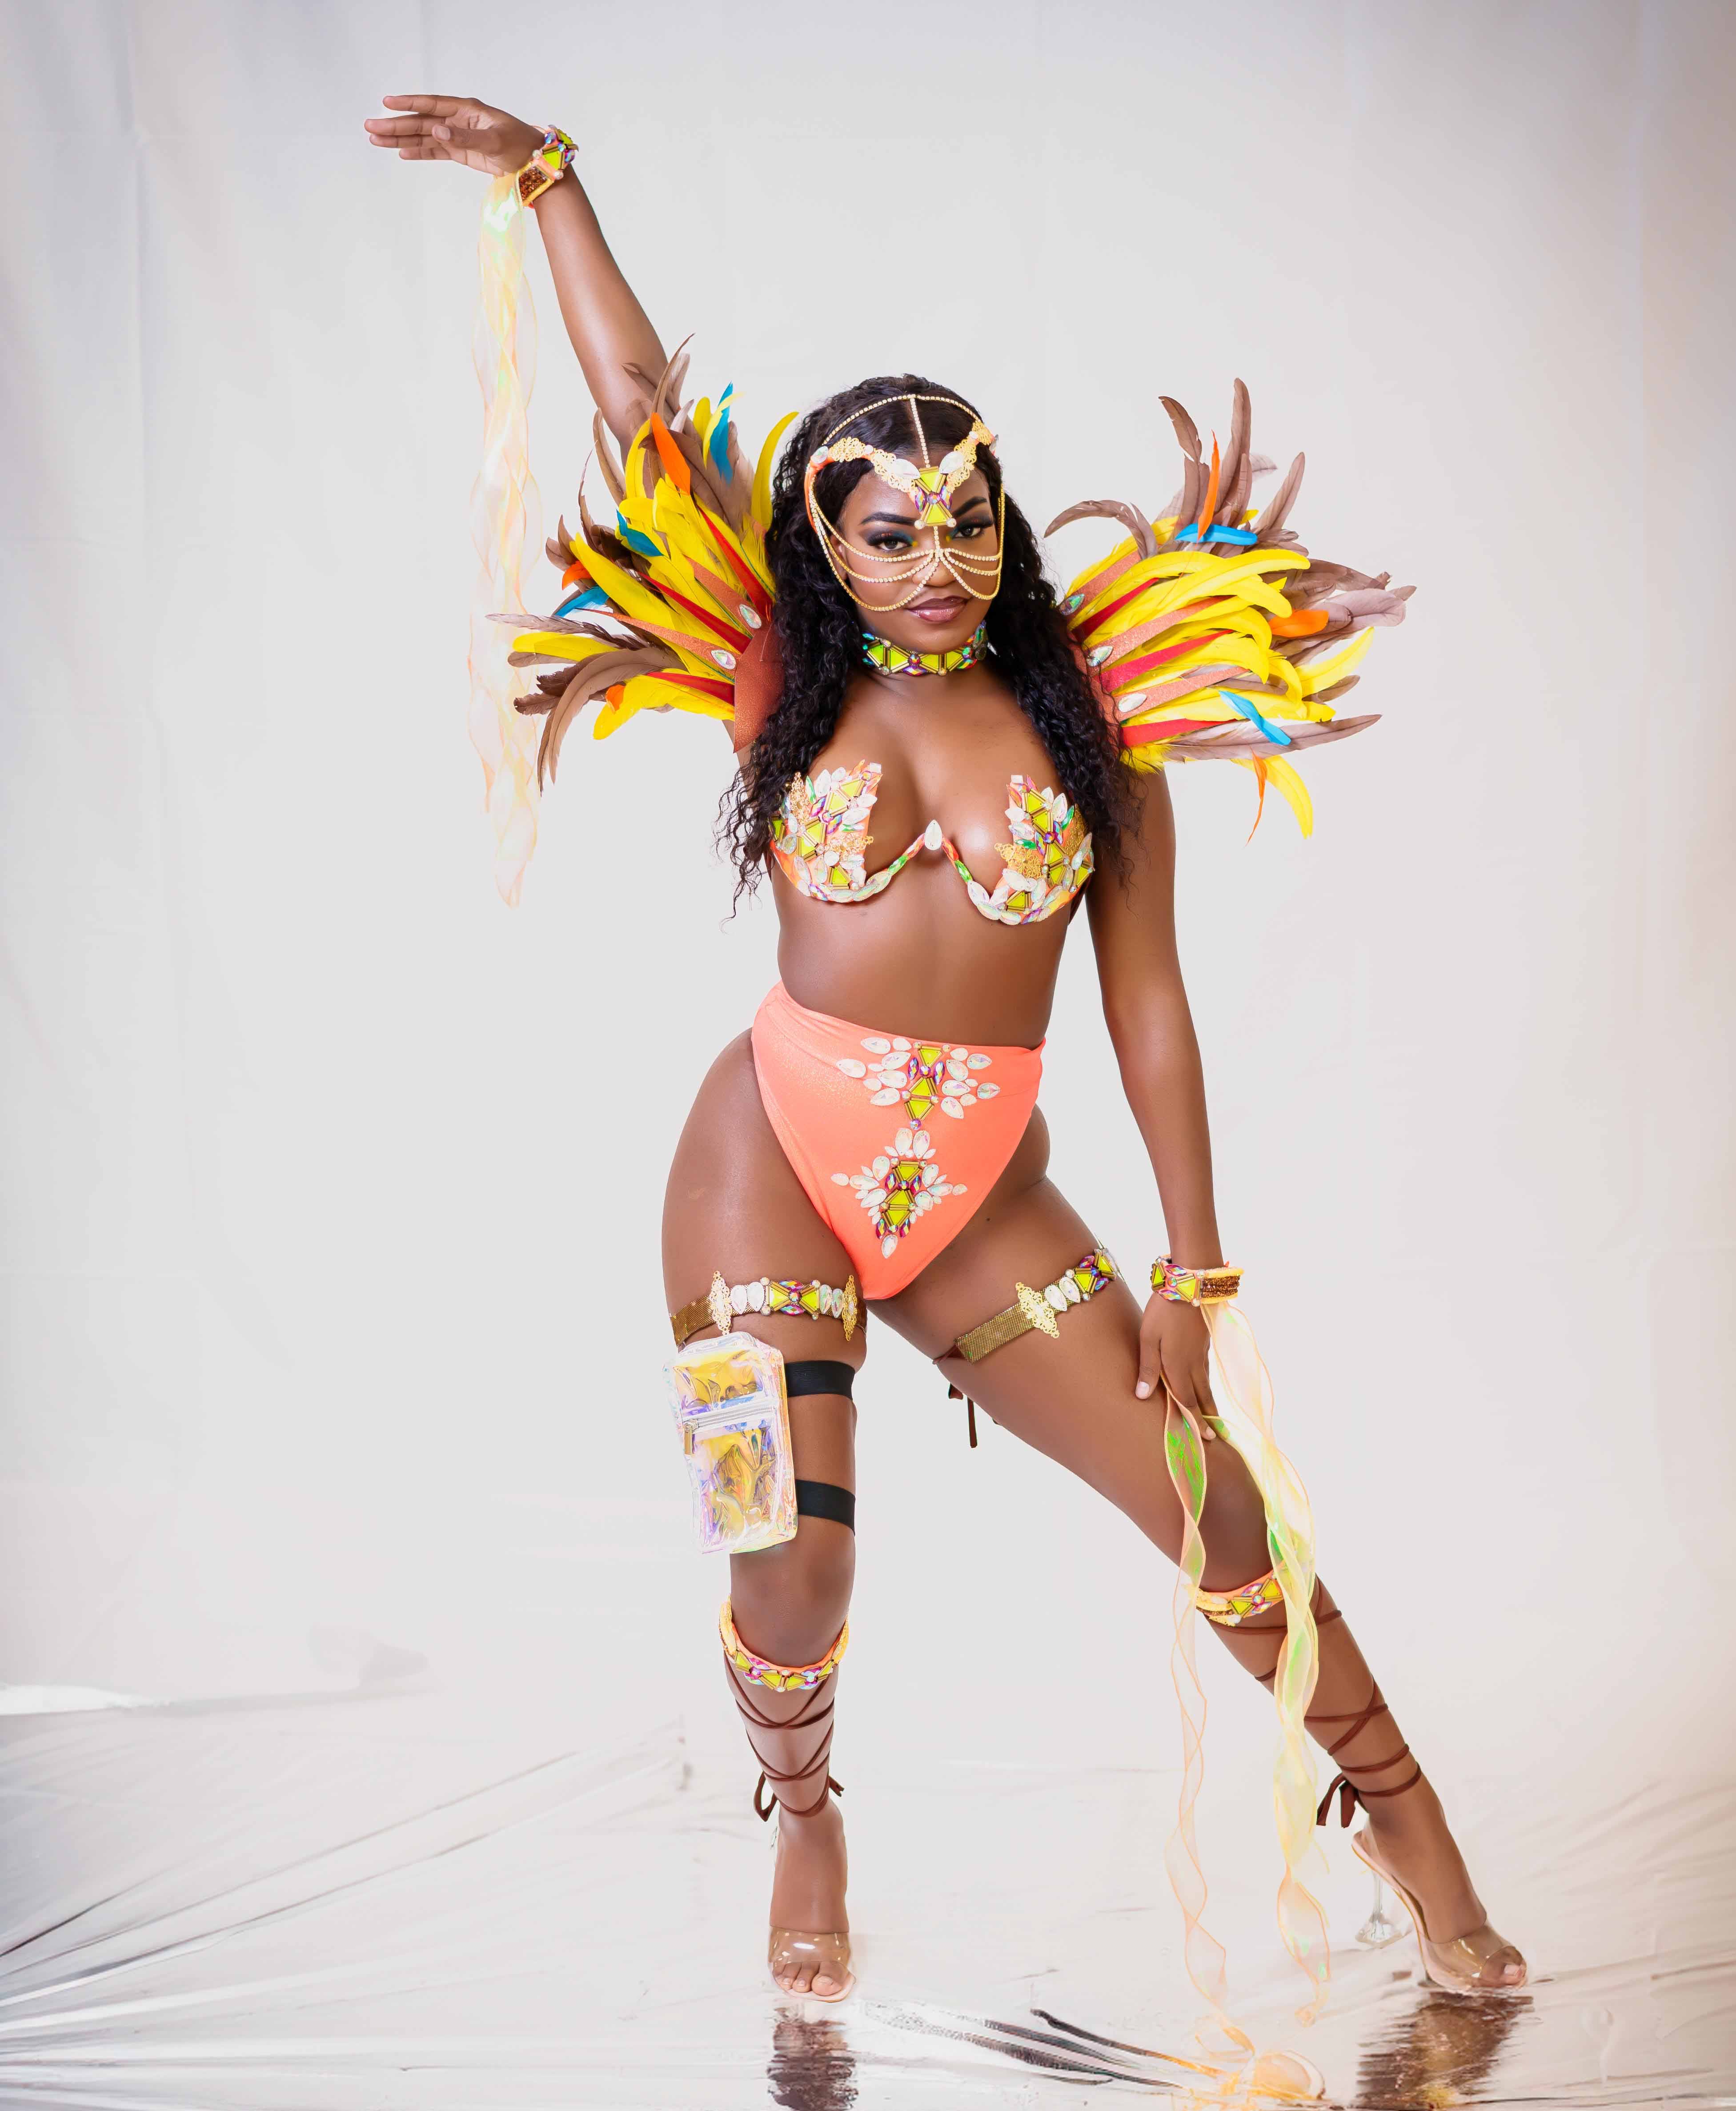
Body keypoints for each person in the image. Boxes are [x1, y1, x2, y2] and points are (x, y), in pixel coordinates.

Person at [366, 94, 1526, 2006]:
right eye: (892, 531)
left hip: (979, 1187)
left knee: (1215, 1501)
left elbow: (1148, 1008)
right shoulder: (773, 679)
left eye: (970, 521)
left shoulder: (1096, 722)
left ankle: (1411, 1829)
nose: (939, 559)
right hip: (763, 1157)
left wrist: (1194, 1270)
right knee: (789, 1567)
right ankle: (804, 1811)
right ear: (825, 548)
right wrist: (550, 180)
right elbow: (647, 414)